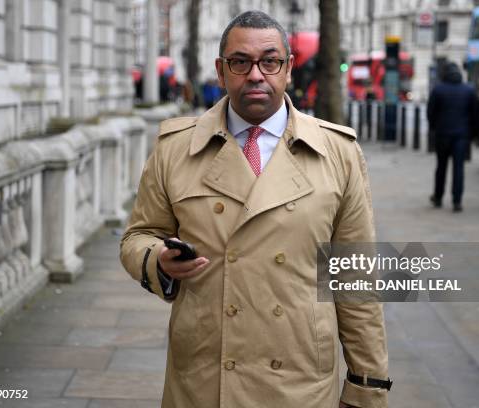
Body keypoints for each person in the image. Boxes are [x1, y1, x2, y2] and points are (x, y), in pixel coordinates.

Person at [120, 10, 389, 408]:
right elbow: (137, 236)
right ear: (221, 70)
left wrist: (367, 385)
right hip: (205, 377)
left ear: (288, 68)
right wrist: (157, 259)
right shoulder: (175, 149)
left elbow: (356, 277)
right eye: (240, 62)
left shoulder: (339, 153)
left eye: (270, 61)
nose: (256, 74)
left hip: (299, 378)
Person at [427, 62, 478, 212]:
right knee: (459, 168)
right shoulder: (469, 90)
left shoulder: (438, 90)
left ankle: (438, 197)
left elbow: (431, 113)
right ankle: (457, 201)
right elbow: (474, 114)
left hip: (443, 134)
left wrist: (435, 128)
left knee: (441, 167)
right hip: (461, 135)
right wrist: (471, 133)